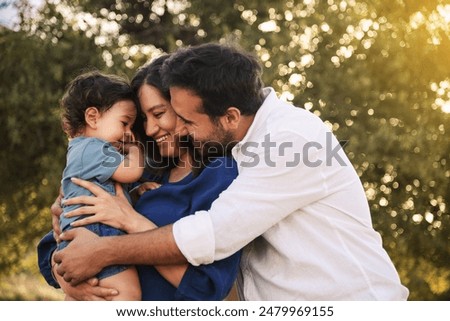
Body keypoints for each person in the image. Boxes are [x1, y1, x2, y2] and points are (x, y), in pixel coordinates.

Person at [51, 43, 409, 300]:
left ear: (230, 116)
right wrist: (69, 266)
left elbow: (213, 235)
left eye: (185, 119)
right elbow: (63, 239)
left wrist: (106, 250)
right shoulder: (223, 152)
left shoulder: (292, 140)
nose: (181, 129)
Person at [38, 55, 241, 300]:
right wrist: (71, 280)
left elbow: (208, 289)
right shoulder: (137, 171)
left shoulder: (221, 175)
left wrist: (128, 220)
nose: (148, 129)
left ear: (184, 108)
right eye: (143, 119)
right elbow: (52, 247)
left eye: (158, 113)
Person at [54, 70, 144, 300]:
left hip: (82, 233)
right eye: (125, 123)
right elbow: (131, 171)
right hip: (95, 232)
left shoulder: (83, 150)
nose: (128, 134)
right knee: (127, 294)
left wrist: (136, 192)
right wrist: (136, 151)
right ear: (92, 117)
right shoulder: (93, 148)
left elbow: (111, 192)